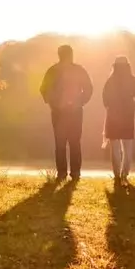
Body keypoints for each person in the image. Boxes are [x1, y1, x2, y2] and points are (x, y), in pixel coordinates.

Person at [40, 45, 93, 182]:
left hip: (58, 112)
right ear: (71, 54)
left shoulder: (52, 71)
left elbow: (44, 89)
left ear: (59, 55)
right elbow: (88, 88)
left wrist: (52, 103)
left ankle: (62, 172)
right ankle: (75, 172)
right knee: (75, 142)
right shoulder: (78, 70)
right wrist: (80, 101)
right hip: (75, 111)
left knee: (60, 143)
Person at [102, 56, 135, 182]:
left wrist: (110, 107)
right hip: (128, 116)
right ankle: (125, 173)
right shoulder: (133, 80)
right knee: (127, 146)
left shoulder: (110, 80)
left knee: (114, 147)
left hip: (113, 115)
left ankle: (117, 175)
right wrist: (132, 106)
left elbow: (105, 98)